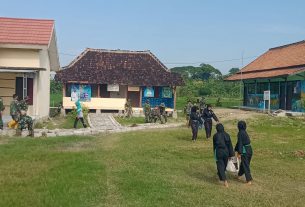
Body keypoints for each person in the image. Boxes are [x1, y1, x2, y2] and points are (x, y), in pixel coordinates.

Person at [235, 120, 253, 185]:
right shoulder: (244, 132)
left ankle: (249, 180)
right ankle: (239, 175)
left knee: (245, 165)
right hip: (249, 149)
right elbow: (239, 142)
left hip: (245, 150)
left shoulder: (240, 133)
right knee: (244, 163)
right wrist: (235, 149)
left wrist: (239, 153)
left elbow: (240, 143)